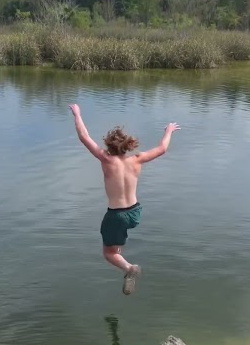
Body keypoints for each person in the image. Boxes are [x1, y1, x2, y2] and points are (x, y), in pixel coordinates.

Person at [69, 104, 180, 295]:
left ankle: (130, 269)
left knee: (109, 253)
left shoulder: (106, 160)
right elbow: (162, 149)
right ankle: (121, 254)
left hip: (116, 216)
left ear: (109, 146)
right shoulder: (137, 159)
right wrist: (169, 131)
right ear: (128, 145)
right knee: (117, 243)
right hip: (135, 213)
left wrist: (77, 114)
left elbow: (84, 137)